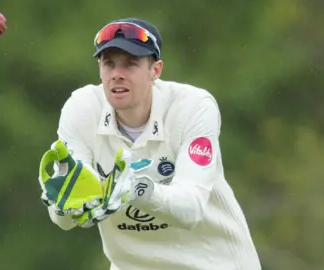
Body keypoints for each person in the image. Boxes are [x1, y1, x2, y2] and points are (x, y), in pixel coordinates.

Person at [39, 18, 261, 270]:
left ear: (155, 70)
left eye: (130, 64)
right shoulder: (81, 109)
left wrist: (138, 189)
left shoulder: (193, 107)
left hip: (214, 262)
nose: (116, 75)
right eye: (108, 64)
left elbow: (191, 209)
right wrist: (64, 203)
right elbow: (65, 221)